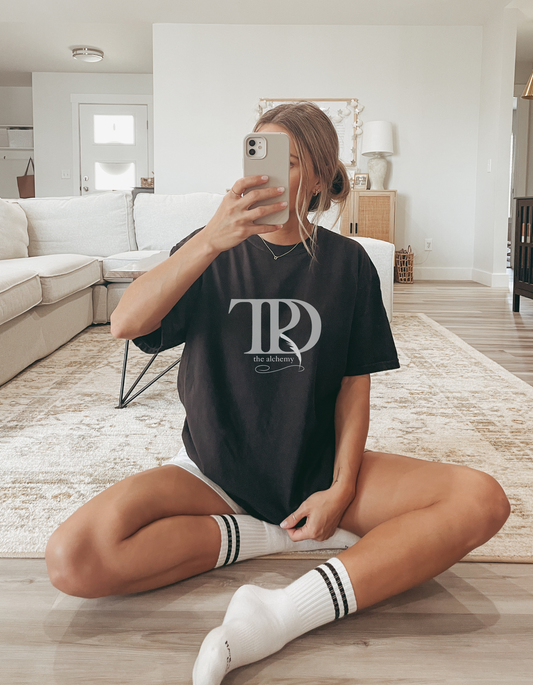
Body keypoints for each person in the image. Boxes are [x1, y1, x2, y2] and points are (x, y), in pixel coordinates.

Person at [45, 103, 510, 685]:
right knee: (72, 558)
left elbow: (353, 385)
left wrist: (341, 488)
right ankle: (270, 535)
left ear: (317, 177)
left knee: (481, 500)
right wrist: (209, 242)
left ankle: (283, 613)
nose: (266, 173)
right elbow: (125, 323)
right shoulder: (206, 251)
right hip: (212, 473)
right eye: (258, 155)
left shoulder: (349, 264)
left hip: (314, 467)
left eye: (288, 161)